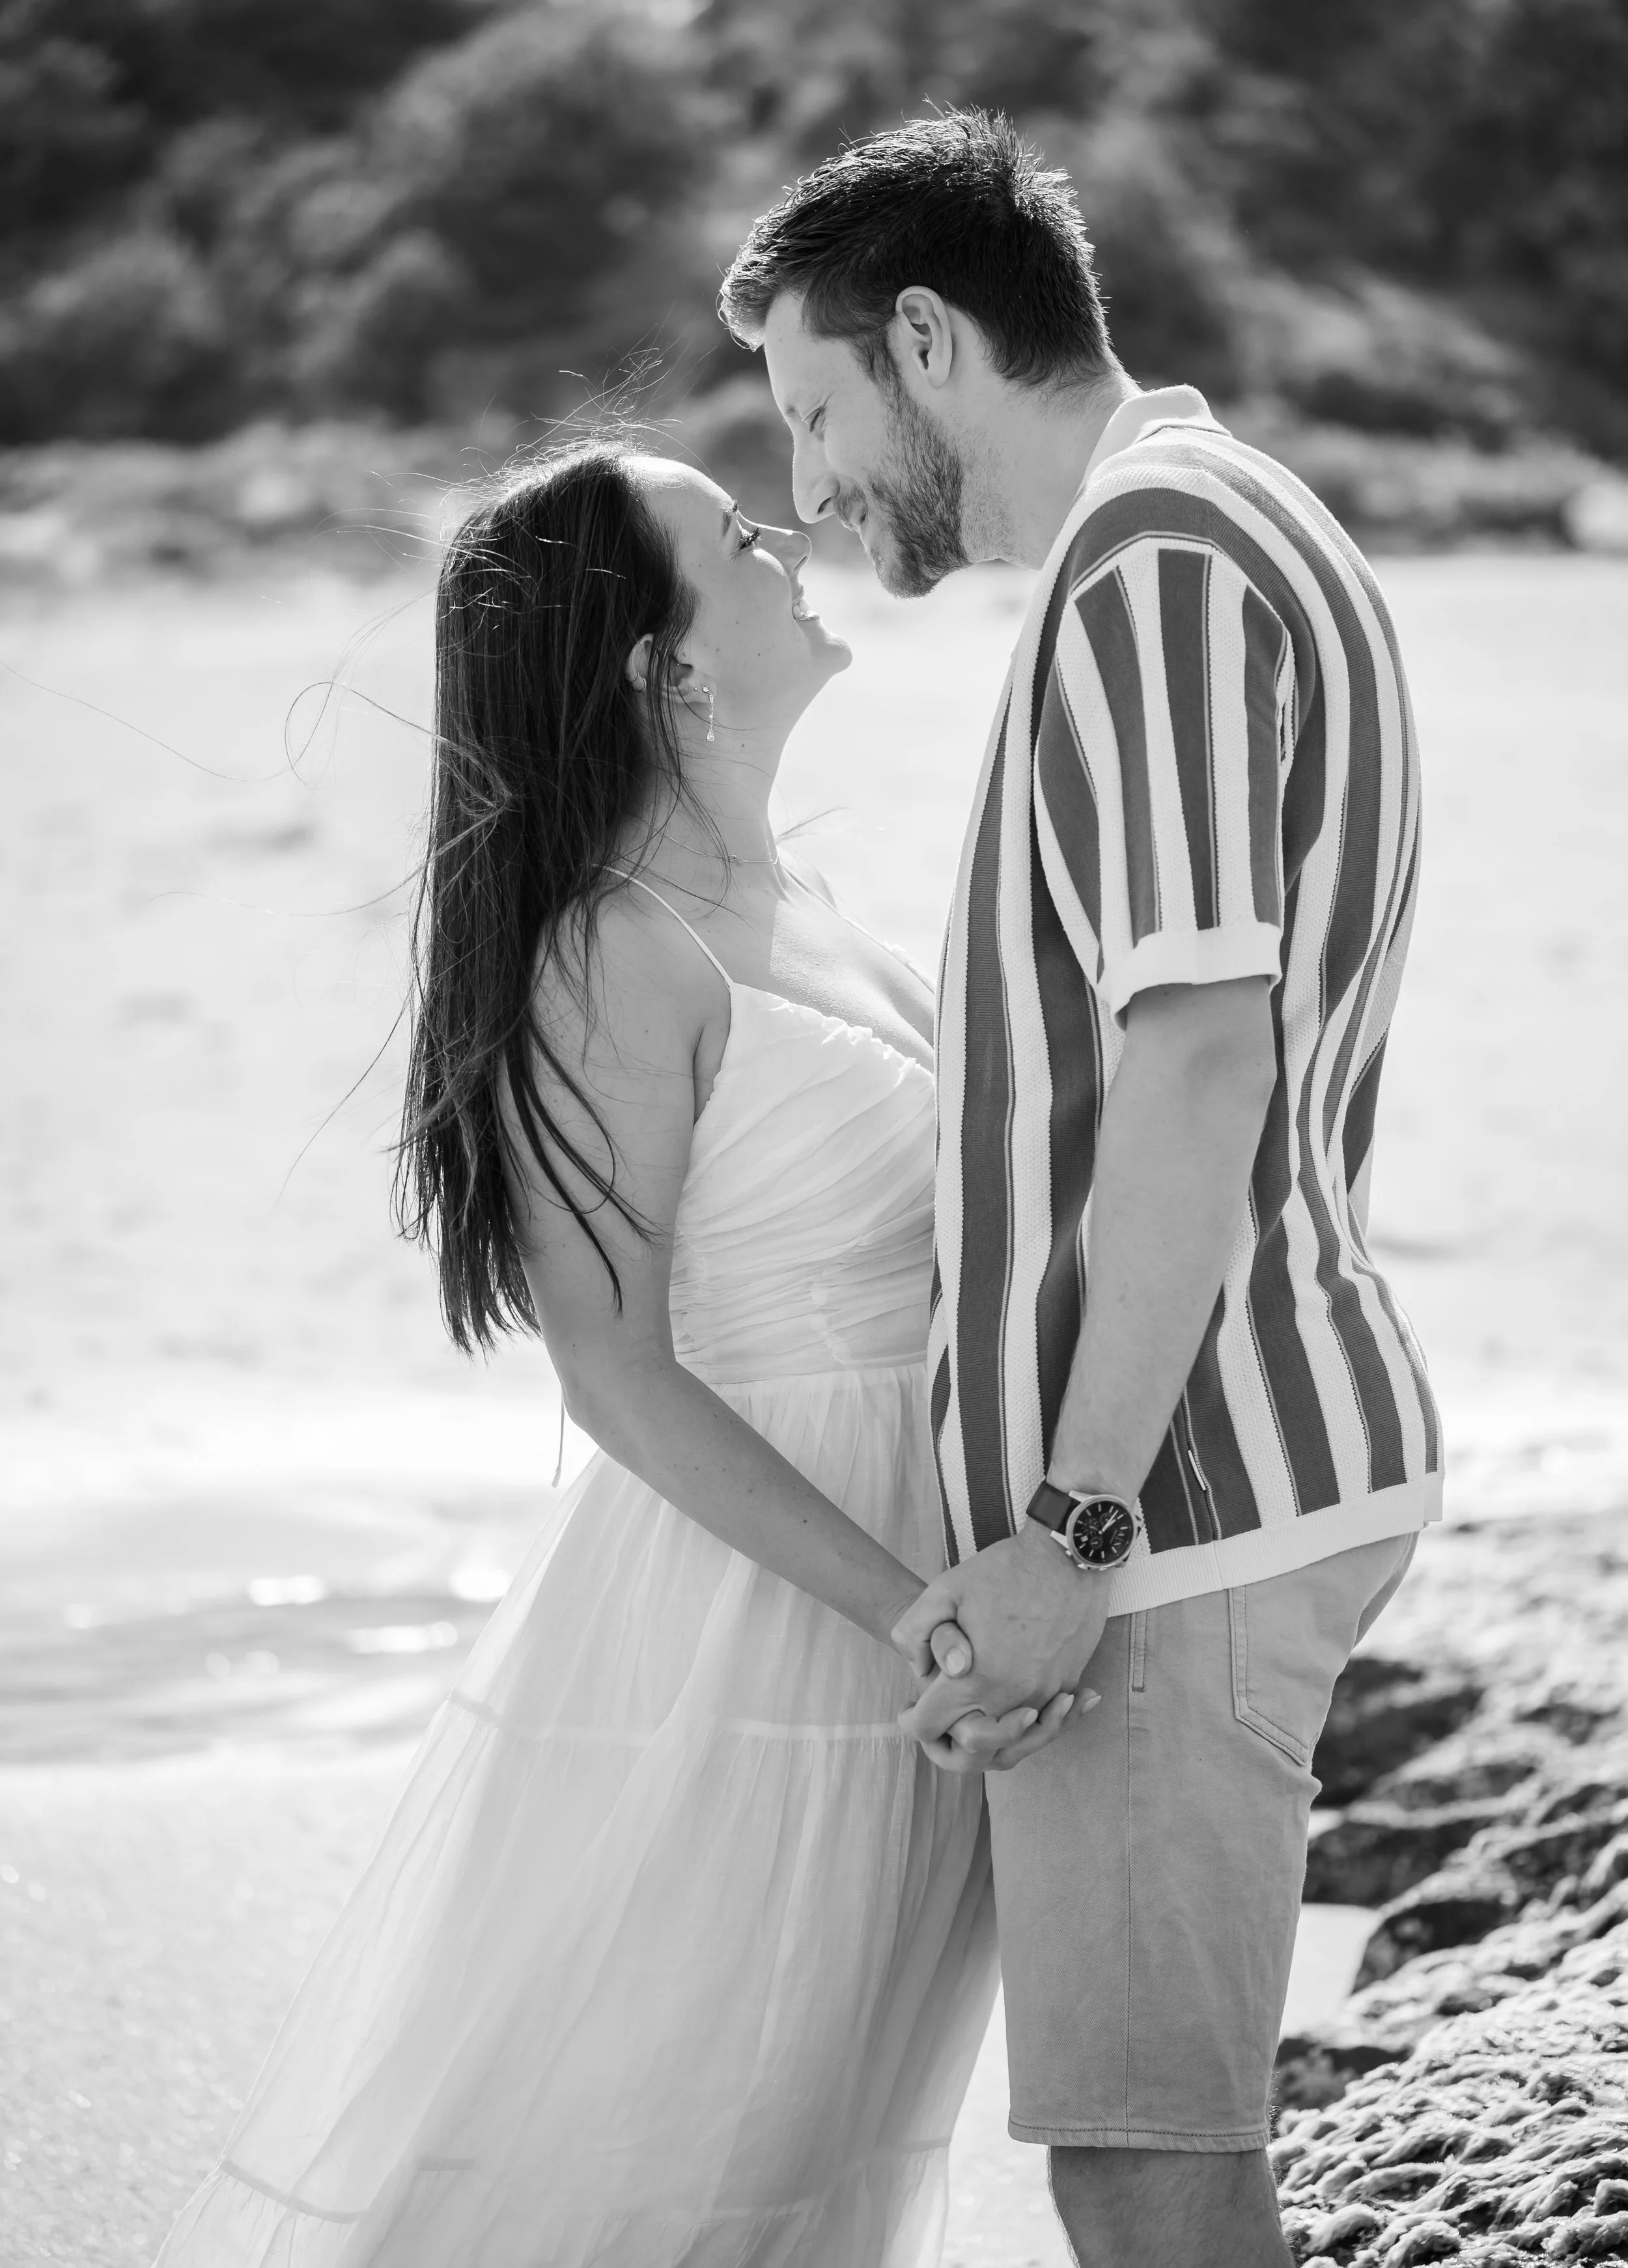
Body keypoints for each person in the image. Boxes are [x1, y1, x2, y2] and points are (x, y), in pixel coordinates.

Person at [153, 440, 1072, 2268]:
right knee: (675, 2148)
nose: (791, 537)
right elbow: (614, 1369)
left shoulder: (814, 909)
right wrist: (916, 1609)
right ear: (659, 663)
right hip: (757, 1616)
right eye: (734, 537)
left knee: (813, 2152)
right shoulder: (610, 953)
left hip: (913, 1588)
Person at [720, 109, 1442, 2268]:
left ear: (928, 340)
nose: (813, 484)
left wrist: (1069, 1527)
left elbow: (1202, 1054)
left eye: (819, 406)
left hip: (1185, 1502)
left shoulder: (1152, 565)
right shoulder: (1225, 519)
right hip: (1227, 1466)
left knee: (1143, 2162)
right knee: (1156, 2136)